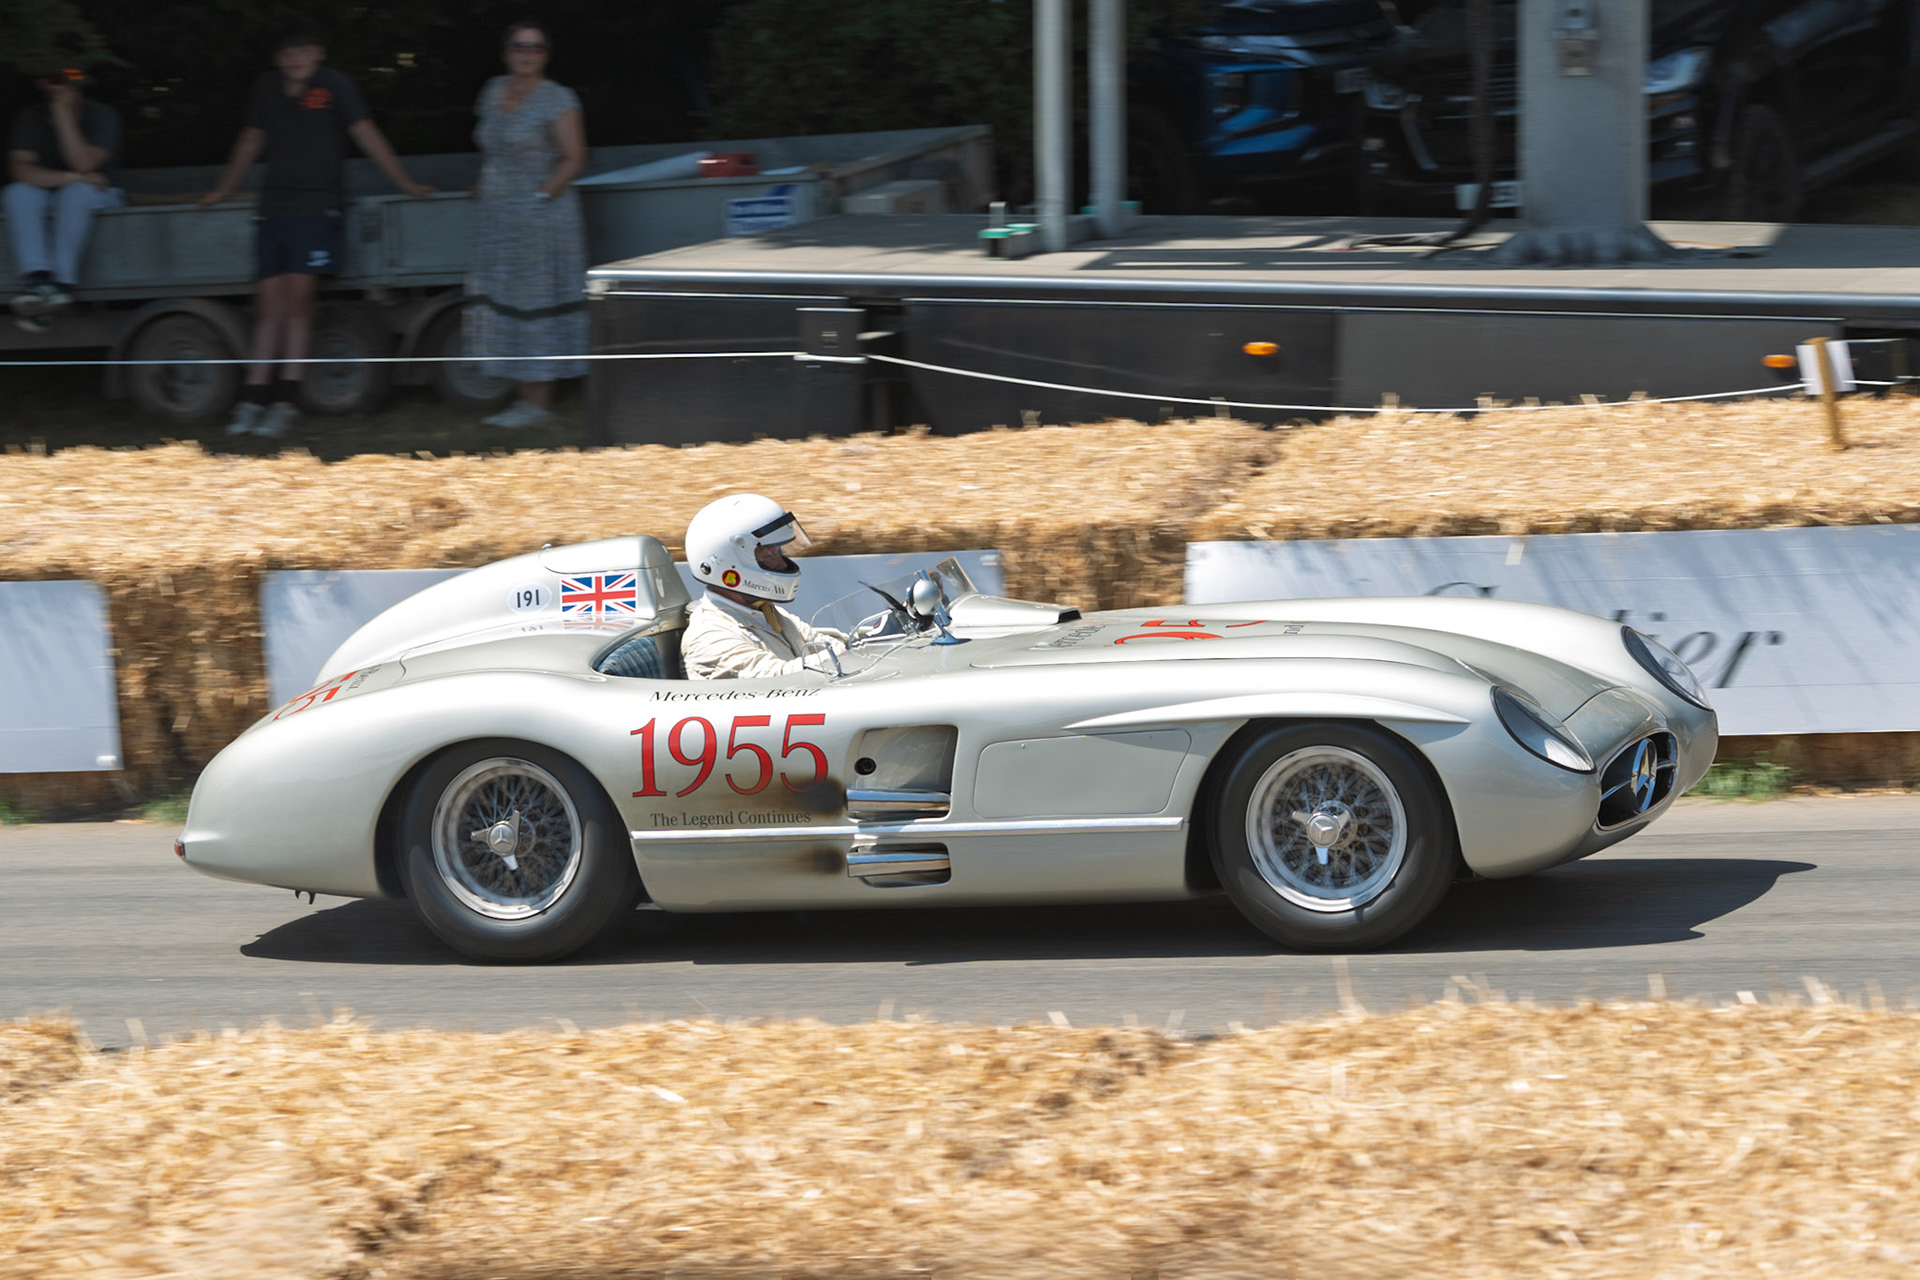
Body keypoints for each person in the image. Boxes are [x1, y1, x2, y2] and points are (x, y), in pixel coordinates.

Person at [200, 29, 431, 439]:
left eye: (303, 51)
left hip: (317, 206)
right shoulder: (267, 88)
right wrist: (223, 189)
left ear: (318, 53)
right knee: (268, 304)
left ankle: (286, 400)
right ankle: (253, 399)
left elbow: (364, 132)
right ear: (278, 57)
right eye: (288, 52)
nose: (295, 59)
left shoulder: (334, 85)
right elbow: (251, 139)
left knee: (298, 301)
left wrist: (405, 183)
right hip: (273, 207)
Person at [462, 19, 589, 430]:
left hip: (541, 219)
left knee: (537, 304)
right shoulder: (492, 91)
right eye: (519, 46)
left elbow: (574, 157)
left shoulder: (557, 98)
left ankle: (538, 405)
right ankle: (520, 398)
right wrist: (485, 181)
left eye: (535, 47)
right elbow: (494, 147)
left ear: (545, 55)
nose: (526, 53)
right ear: (506, 52)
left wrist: (539, 197)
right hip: (498, 220)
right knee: (508, 302)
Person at [5, 66, 123, 334]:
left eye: (66, 79)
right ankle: (38, 280)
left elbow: (83, 162)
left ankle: (60, 284)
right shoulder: (32, 116)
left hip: (102, 196)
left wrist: (62, 115)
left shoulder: (102, 115)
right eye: (52, 79)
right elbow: (22, 171)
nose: (57, 85)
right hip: (66, 188)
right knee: (17, 193)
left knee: (76, 195)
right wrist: (73, 178)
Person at [682, 494, 850, 681]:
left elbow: (821, 642)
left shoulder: (763, 610)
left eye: (777, 552)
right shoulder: (708, 638)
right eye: (767, 555)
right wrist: (846, 652)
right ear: (727, 562)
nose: (781, 564)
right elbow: (778, 677)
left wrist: (863, 643)